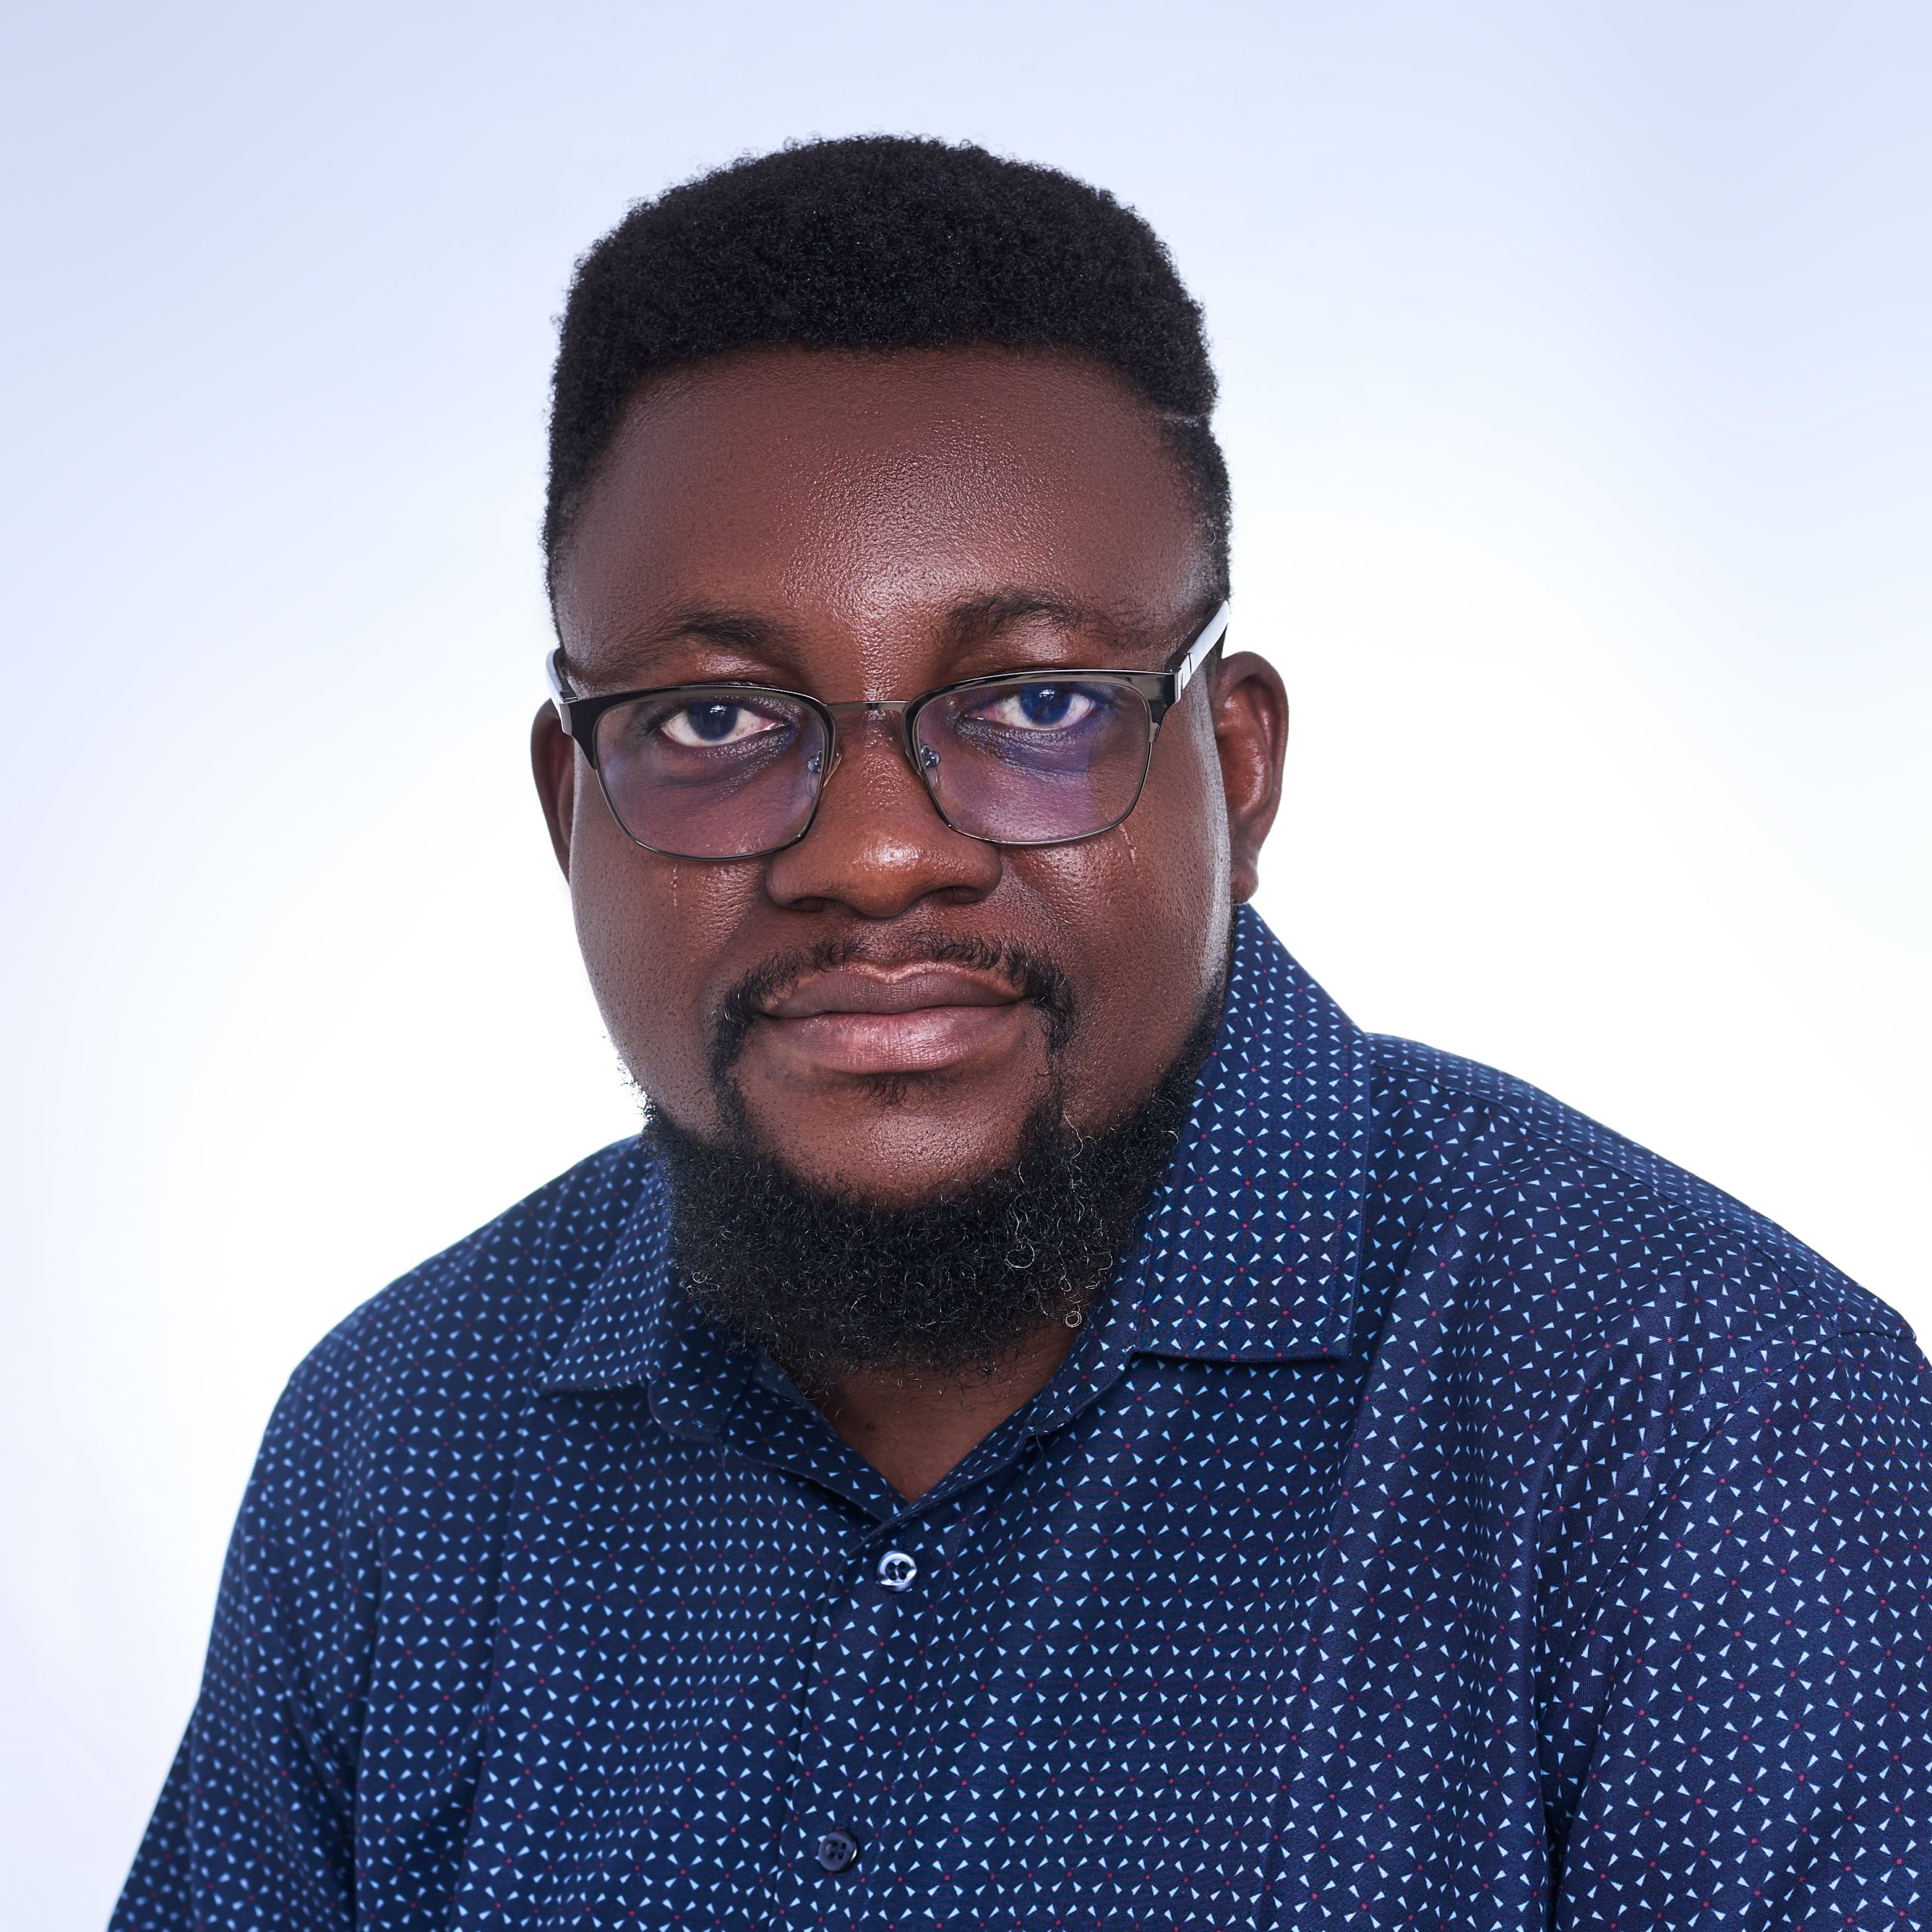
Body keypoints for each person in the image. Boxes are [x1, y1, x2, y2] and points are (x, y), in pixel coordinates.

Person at [112, 137, 1931, 1931]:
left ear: (1234, 767)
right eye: (712, 721)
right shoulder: (399, 1439)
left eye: (1036, 701)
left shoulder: (1704, 1423)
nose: (872, 853)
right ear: (567, 801)